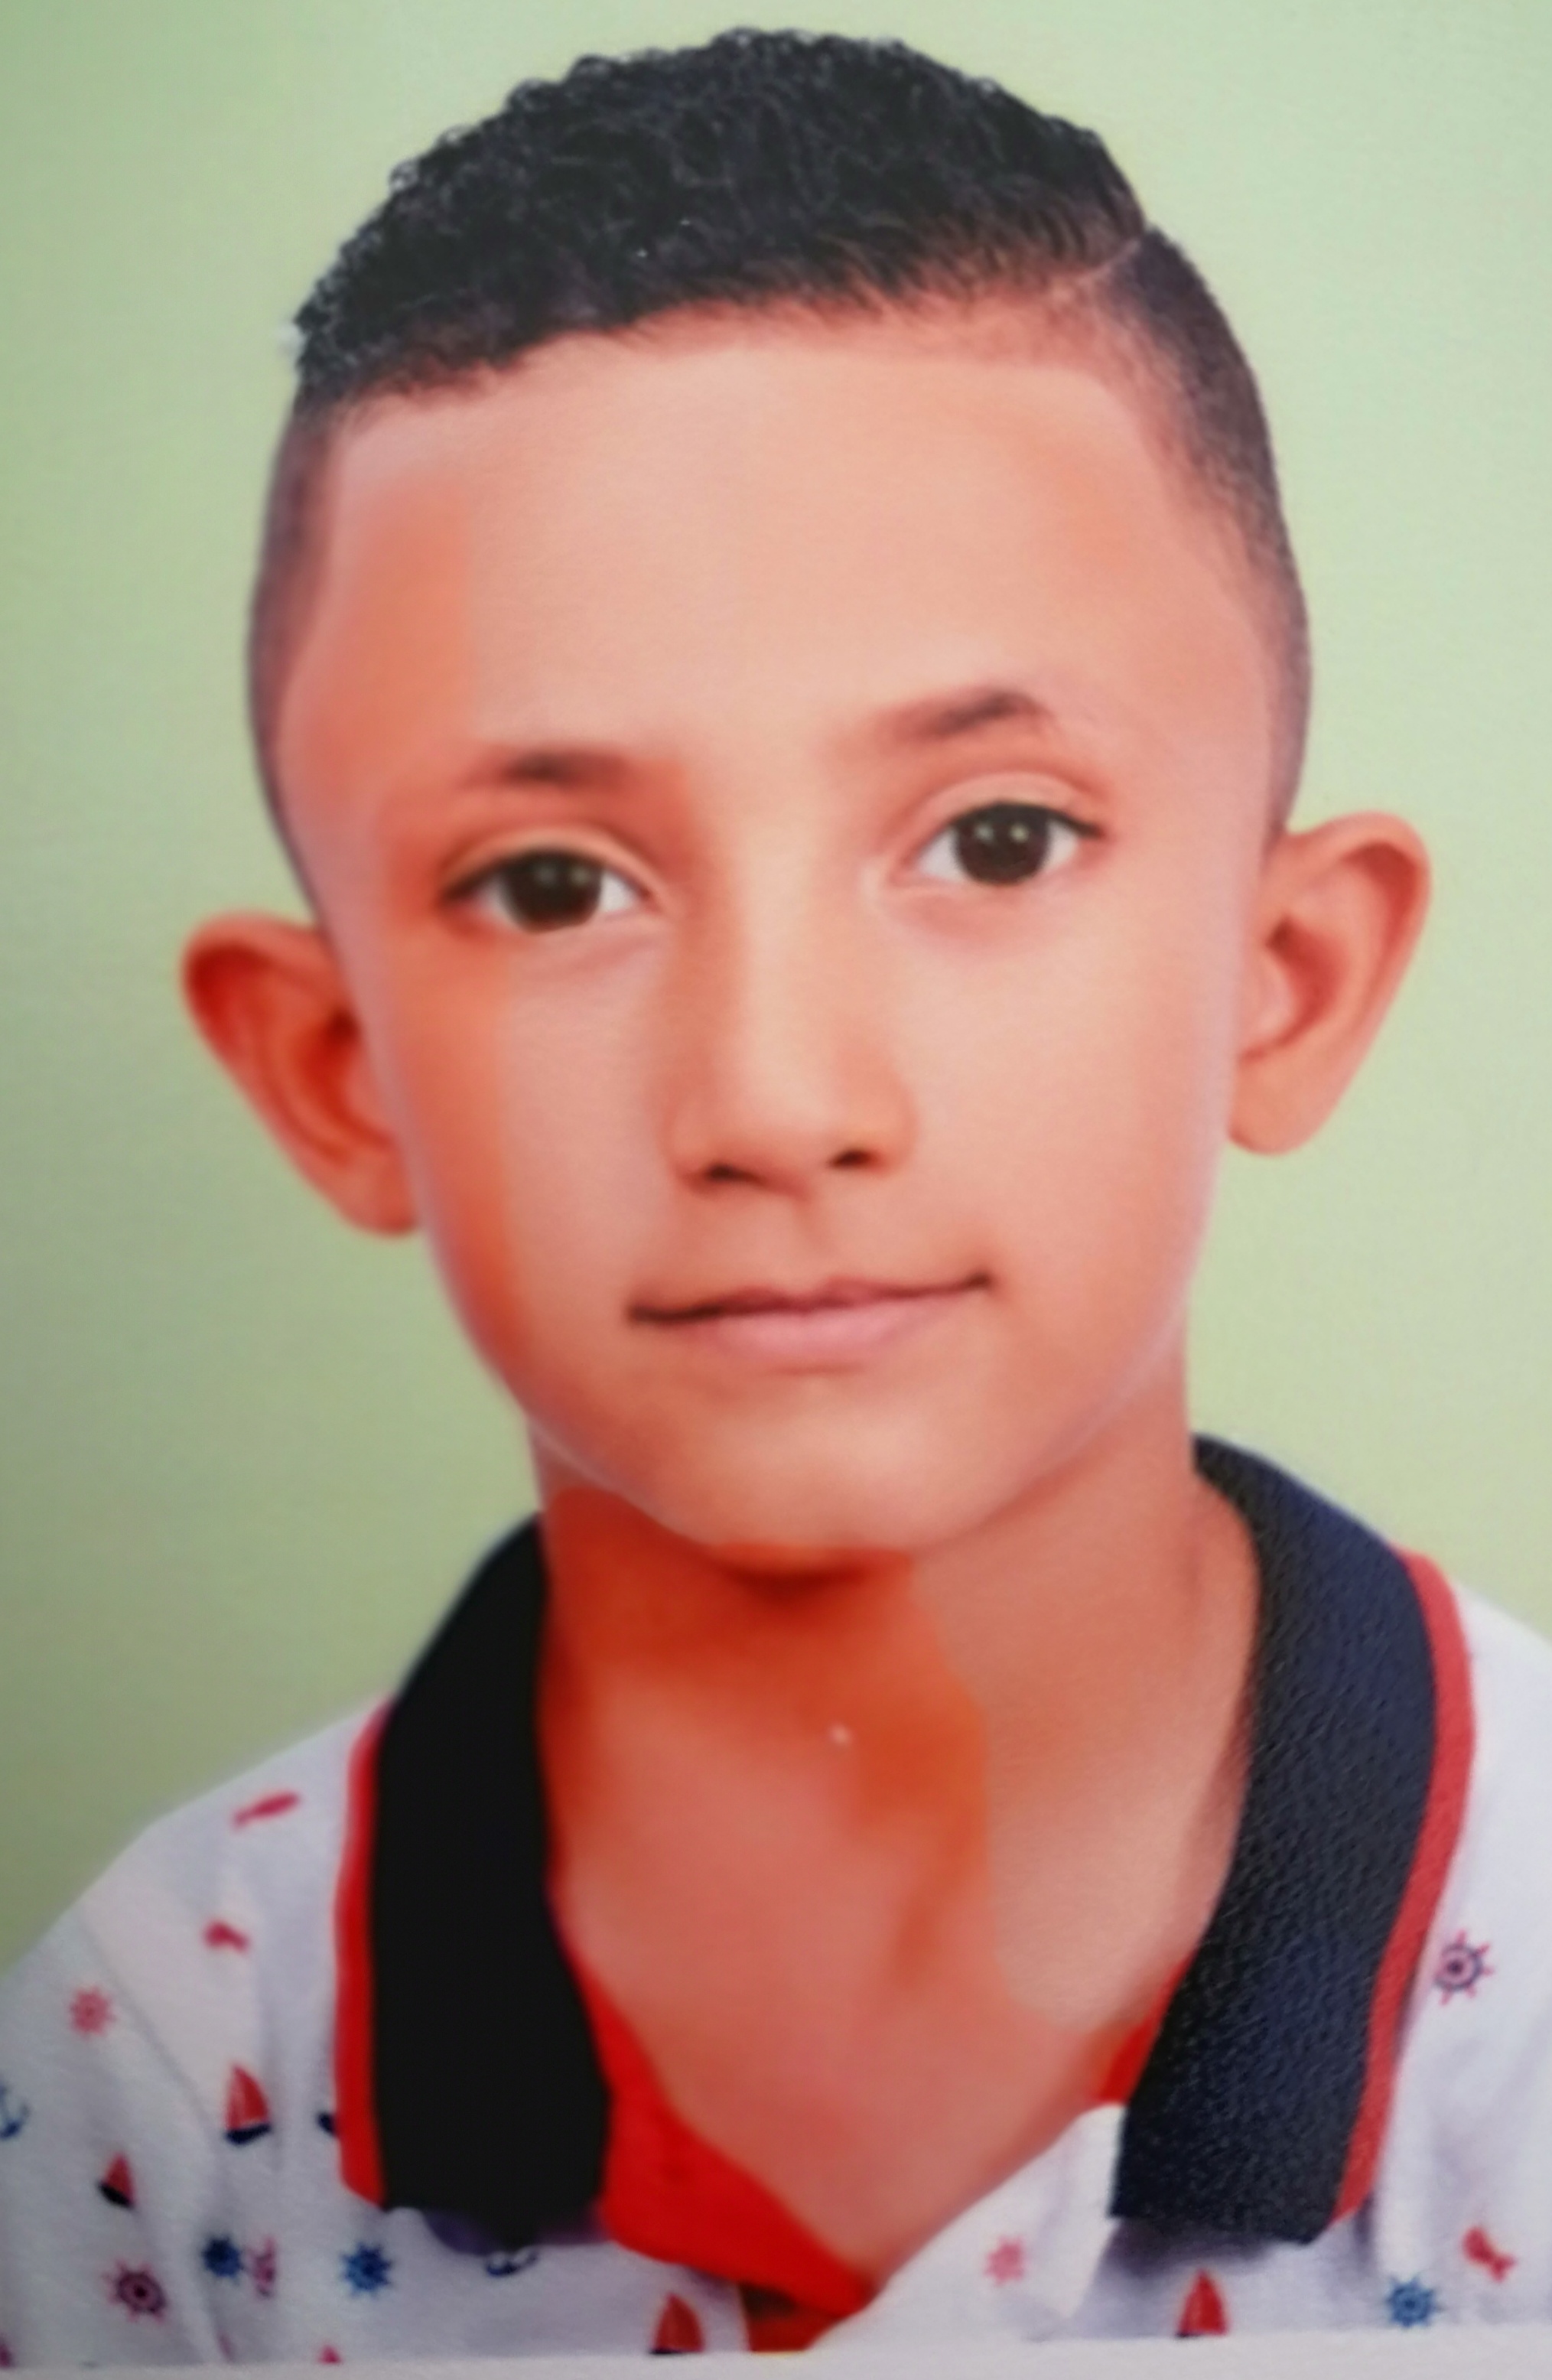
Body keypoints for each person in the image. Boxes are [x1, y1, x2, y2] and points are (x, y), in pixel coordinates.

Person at [1, 27, 1547, 2362]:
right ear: (336, 1077)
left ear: (1290, 979)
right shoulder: (155, 2083)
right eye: (554, 884)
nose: (776, 1098)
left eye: (996, 842)